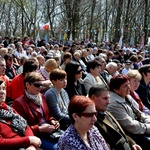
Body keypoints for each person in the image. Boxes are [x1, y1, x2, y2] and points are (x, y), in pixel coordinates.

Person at [12, 72, 60, 150]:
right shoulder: (19, 103)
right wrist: (40, 129)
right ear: (27, 85)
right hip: (36, 136)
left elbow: (48, 115)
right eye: (37, 85)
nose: (40, 87)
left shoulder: (42, 97)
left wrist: (53, 121)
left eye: (41, 85)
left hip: (50, 132)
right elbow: (21, 129)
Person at [89, 85, 142, 150]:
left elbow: (120, 132)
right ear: (93, 98)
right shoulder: (91, 120)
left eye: (108, 98)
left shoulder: (107, 112)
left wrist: (132, 144)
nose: (108, 102)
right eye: (105, 98)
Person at [107, 74, 150, 150]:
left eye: (129, 84)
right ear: (116, 90)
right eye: (125, 86)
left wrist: (148, 120)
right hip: (130, 136)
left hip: (140, 129)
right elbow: (130, 125)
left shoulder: (127, 96)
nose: (129, 88)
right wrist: (148, 127)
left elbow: (139, 113)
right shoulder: (113, 104)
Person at [0, 79, 41, 150]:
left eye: (3, 88)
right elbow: (1, 143)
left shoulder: (9, 109)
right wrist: (29, 140)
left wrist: (31, 146)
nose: (2, 92)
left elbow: (25, 126)